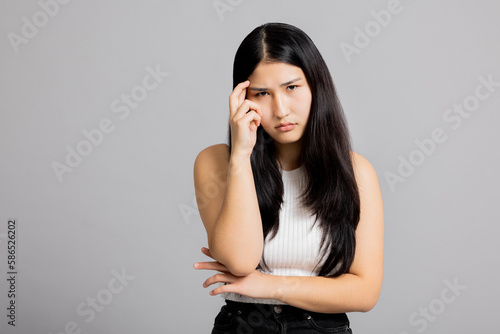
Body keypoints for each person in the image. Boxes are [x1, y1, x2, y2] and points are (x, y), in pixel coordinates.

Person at [193, 22, 384, 334]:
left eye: (292, 87)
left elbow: (364, 292)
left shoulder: (356, 171)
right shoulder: (216, 162)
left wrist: (269, 285)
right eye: (262, 93)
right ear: (243, 99)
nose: (281, 110)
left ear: (316, 86)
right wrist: (241, 156)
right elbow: (241, 261)